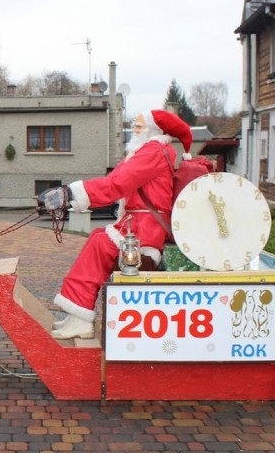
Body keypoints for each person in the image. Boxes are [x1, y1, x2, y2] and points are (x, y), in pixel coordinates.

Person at [41, 109, 193, 340]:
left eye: (140, 126)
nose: (135, 129)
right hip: (137, 223)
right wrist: (71, 194)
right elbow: (114, 182)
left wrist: (71, 193)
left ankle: (81, 318)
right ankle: (78, 314)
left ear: (153, 131)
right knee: (97, 238)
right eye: (136, 125)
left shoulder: (153, 151)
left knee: (101, 244)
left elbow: (117, 184)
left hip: (146, 229)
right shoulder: (144, 151)